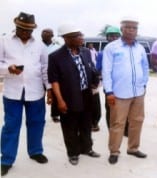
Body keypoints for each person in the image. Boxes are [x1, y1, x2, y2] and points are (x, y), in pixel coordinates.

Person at [0, 12, 50, 176]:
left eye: (28, 30)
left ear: (33, 30)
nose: (25, 33)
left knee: (37, 123)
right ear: (16, 26)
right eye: (22, 29)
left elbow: (45, 68)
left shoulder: (40, 45)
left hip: (35, 92)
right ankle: (6, 159)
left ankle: (35, 151)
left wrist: (49, 89)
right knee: (11, 126)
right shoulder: (4, 41)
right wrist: (8, 69)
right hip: (12, 92)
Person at [48, 24, 100, 166]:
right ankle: (73, 153)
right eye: (77, 36)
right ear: (66, 38)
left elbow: (91, 68)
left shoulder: (85, 52)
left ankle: (87, 148)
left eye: (80, 34)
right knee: (70, 126)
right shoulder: (55, 57)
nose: (81, 38)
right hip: (68, 96)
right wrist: (59, 100)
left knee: (86, 123)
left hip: (86, 95)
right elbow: (54, 81)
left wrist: (95, 80)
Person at [102, 17, 149, 164]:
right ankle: (114, 151)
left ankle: (133, 148)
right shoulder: (112, 47)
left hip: (138, 92)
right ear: (121, 29)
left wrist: (144, 84)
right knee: (117, 123)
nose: (131, 30)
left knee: (137, 121)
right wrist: (109, 92)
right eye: (127, 27)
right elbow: (106, 71)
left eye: (134, 28)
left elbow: (145, 67)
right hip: (119, 93)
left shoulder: (140, 48)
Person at [95, 26, 123, 130]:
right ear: (107, 38)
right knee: (111, 108)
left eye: (116, 36)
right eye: (111, 36)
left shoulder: (125, 51)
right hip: (110, 87)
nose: (114, 38)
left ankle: (124, 129)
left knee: (125, 108)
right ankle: (111, 128)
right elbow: (98, 70)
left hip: (124, 85)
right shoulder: (102, 53)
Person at [41, 28, 61, 123]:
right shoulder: (38, 46)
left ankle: (55, 114)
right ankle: (40, 114)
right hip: (40, 75)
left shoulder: (57, 47)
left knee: (55, 94)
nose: (44, 34)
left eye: (47, 33)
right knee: (40, 95)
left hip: (53, 74)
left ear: (52, 35)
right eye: (43, 32)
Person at [86, 42, 102, 132]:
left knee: (95, 105)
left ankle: (94, 123)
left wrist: (95, 82)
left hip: (92, 85)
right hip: (80, 87)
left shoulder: (87, 52)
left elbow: (93, 67)